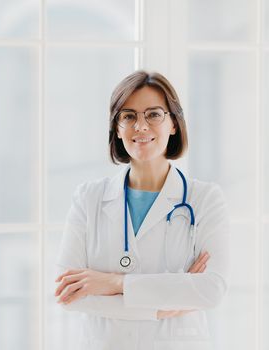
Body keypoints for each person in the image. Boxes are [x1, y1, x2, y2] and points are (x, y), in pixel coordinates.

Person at [54, 70, 230, 350]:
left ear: (173, 123)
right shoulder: (88, 198)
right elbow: (66, 294)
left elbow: (210, 291)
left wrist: (112, 282)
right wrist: (158, 308)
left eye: (154, 114)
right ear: (117, 127)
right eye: (129, 116)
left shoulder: (205, 199)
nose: (141, 126)